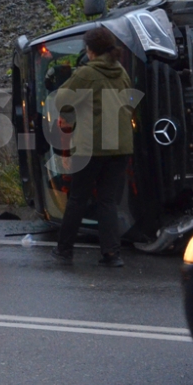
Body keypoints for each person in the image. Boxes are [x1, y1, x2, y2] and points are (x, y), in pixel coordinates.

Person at [51, 26, 134, 268]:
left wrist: (68, 115)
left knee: (77, 198)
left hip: (91, 147)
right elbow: (130, 101)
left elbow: (62, 99)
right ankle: (111, 254)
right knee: (107, 201)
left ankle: (64, 250)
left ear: (91, 51)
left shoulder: (88, 73)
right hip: (120, 146)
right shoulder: (121, 72)